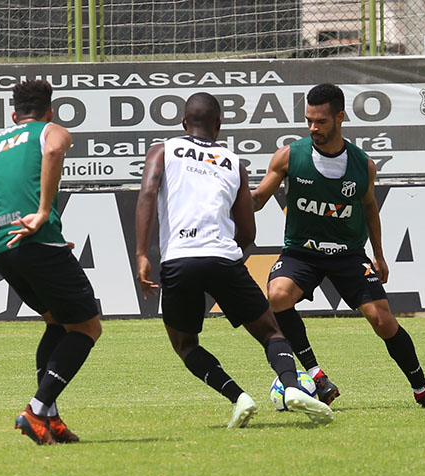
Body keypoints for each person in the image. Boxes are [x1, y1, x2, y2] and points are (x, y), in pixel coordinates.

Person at [135, 92, 334, 428]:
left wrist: (142, 254)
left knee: (185, 344)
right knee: (271, 332)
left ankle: (238, 397)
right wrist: (228, 259)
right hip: (223, 258)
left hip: (179, 260)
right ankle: (291, 385)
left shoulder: (163, 150)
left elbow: (147, 193)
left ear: (184, 123)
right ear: (218, 125)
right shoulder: (232, 163)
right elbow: (247, 232)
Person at [252, 83, 425, 408]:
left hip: (348, 255)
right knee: (277, 295)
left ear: (340, 117)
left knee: (383, 321)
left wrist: (380, 254)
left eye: (321, 121)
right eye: (309, 121)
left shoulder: (363, 164)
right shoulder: (289, 156)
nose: (314, 128)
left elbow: (369, 206)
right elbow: (259, 199)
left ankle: (423, 391)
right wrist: (232, 196)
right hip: (302, 252)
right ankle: (317, 377)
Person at [0, 79, 102, 445]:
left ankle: (51, 419)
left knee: (57, 324)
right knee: (88, 328)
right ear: (50, 112)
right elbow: (56, 149)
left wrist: (34, 242)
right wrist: (43, 214)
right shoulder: (50, 131)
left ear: (13, 115)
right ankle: (36, 408)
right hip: (34, 241)